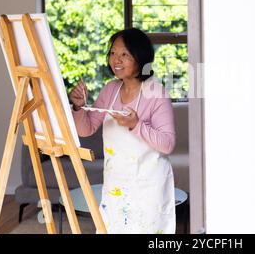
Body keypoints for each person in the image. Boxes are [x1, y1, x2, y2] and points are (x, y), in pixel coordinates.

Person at [69, 28, 176, 234]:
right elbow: (86, 129)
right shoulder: (110, 89)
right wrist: (79, 107)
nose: (116, 60)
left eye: (124, 54)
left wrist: (135, 125)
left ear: (140, 58)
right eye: (113, 53)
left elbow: (167, 143)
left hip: (148, 185)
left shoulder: (157, 94)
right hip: (115, 183)